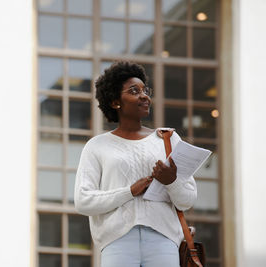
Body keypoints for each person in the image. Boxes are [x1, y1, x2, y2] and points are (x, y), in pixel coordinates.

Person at [74, 61, 197, 267]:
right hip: (117, 242)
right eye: (134, 91)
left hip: (164, 241)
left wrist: (172, 181)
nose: (144, 96)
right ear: (115, 102)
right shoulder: (97, 146)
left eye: (145, 90)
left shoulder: (168, 139)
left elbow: (187, 200)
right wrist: (130, 191)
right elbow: (83, 201)